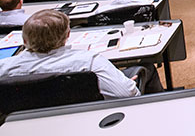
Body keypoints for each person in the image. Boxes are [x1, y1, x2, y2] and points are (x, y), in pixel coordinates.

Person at [0, 10, 164, 98]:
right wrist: (127, 83)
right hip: (89, 120)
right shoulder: (88, 62)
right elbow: (127, 94)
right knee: (146, 67)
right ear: (67, 35)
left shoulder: (4, 68)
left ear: (25, 40)